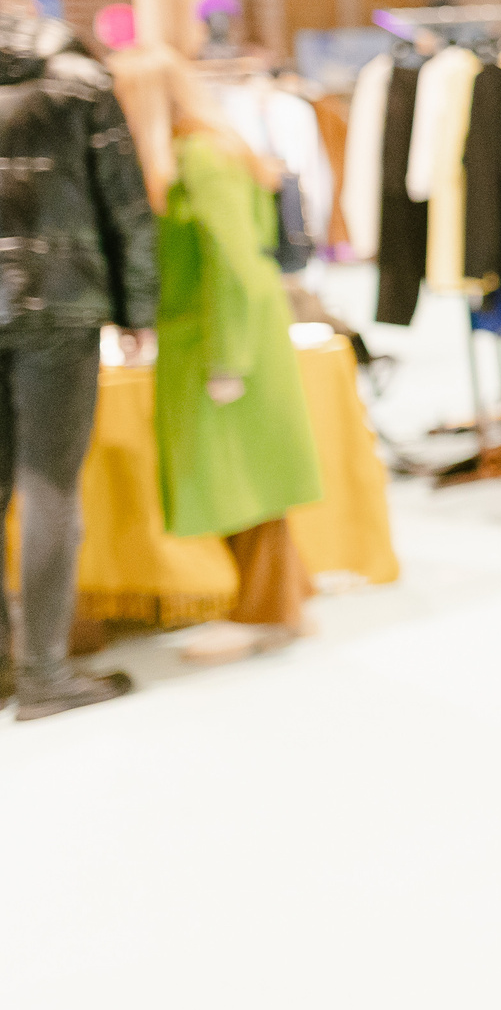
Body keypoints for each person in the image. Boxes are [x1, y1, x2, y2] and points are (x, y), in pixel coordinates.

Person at [112, 46, 326, 663]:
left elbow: (232, 265)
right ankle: (284, 599)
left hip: (223, 336)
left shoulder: (200, 156)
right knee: (243, 472)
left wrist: (228, 358)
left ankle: (264, 612)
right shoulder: (200, 152)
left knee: (240, 474)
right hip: (208, 334)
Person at [0, 0, 156, 720]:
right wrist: (140, 306)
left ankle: (13, 663)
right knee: (49, 487)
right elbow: (123, 200)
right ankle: (43, 673)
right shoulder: (80, 78)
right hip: (61, 304)